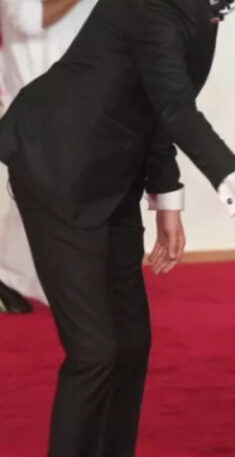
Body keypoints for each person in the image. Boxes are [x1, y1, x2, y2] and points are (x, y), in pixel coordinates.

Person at [0, 0, 235, 456]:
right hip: (56, 162)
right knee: (95, 351)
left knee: (132, 343)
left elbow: (157, 100)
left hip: (113, 171)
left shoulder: (207, 8)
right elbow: (177, 110)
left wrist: (166, 198)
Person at [0, 0, 95, 314]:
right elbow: (29, 20)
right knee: (44, 192)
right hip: (34, 96)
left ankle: (17, 277)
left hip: (80, 96)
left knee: (49, 194)